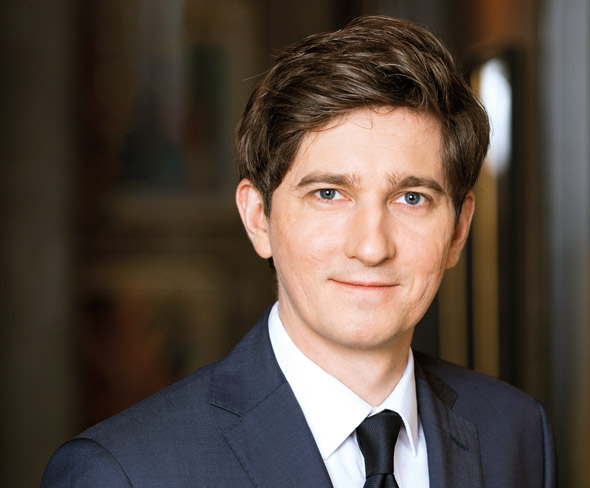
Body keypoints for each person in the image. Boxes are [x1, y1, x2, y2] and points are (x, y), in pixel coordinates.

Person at [42, 15, 556, 487]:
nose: (371, 247)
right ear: (258, 218)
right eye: (329, 194)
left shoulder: (516, 433)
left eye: (411, 198)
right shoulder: (123, 472)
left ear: (459, 230)